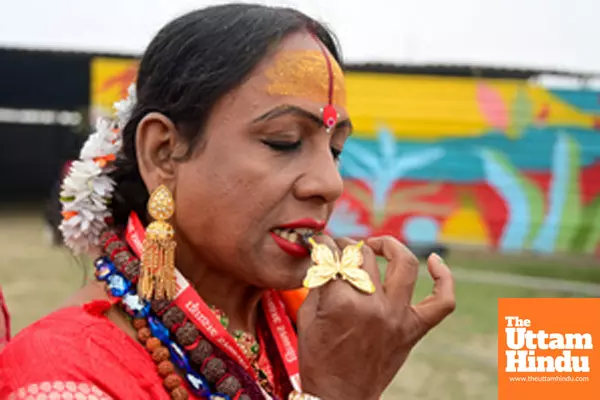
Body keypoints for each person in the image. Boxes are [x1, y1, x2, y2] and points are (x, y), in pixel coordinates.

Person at [0, 4, 455, 400]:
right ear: (163, 152)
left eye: (335, 150)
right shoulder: (60, 374)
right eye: (284, 141)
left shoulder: (318, 324)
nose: (329, 183)